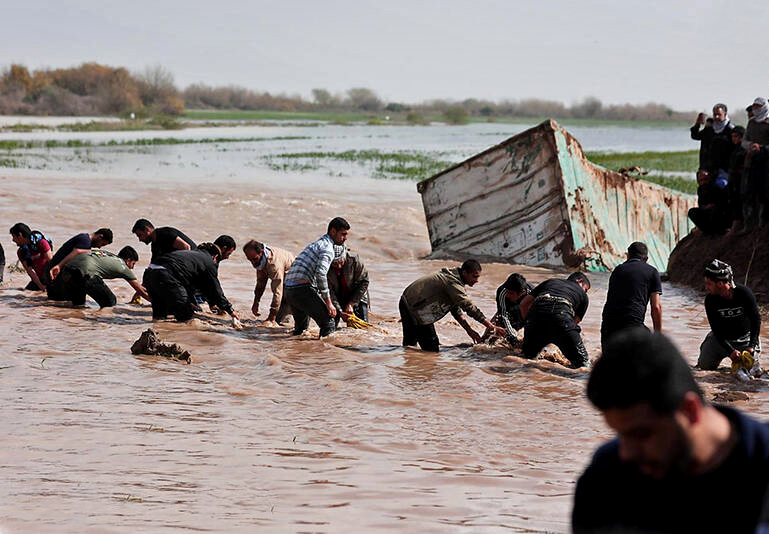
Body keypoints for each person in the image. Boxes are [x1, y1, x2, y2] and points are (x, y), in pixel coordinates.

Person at [572, 328, 769, 534]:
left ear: (690, 410)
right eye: (620, 434)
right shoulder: (607, 479)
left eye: (641, 434)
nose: (627, 453)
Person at [399, 259, 505, 352]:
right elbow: (468, 307)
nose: (477, 280)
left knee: (410, 345)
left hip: (409, 303)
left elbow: (456, 311)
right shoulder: (453, 282)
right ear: (464, 273)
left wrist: (469, 331)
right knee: (431, 349)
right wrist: (490, 326)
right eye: (474, 276)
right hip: (415, 307)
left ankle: (409, 365)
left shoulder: (454, 279)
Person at [284, 217, 350, 337]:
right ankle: (325, 349)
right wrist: (329, 303)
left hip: (289, 289)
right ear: (333, 231)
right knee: (328, 323)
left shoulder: (317, 244)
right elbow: (321, 274)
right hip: (301, 289)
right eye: (343, 234)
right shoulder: (328, 249)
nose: (345, 238)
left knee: (301, 330)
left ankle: (293, 349)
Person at [142, 244, 238, 323]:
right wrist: (230, 311)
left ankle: (156, 336)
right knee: (187, 318)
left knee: (159, 317)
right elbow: (215, 289)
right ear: (215, 257)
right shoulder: (209, 262)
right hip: (166, 275)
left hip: (150, 273)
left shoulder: (192, 256)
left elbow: (194, 287)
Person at [697, 259, 761, 372]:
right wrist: (730, 351)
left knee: (750, 372)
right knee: (703, 367)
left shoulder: (744, 293)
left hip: (745, 339)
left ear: (720, 284)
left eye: (709, 284)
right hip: (720, 340)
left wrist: (751, 346)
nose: (706, 287)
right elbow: (716, 330)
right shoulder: (710, 300)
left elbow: (756, 321)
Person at [519, 272, 591, 368]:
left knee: (527, 358)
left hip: (535, 318)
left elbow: (523, 304)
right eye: (586, 289)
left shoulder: (550, 281)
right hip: (561, 318)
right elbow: (574, 322)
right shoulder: (583, 295)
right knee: (583, 365)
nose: (585, 292)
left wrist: (528, 326)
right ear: (580, 281)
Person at [600, 242, 662, 347]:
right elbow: (656, 307)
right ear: (646, 259)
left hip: (608, 328)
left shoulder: (618, 270)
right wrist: (658, 337)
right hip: (633, 329)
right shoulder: (652, 272)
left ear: (628, 256)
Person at [46, 246, 150, 308]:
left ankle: (75, 325)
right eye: (133, 264)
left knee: (78, 305)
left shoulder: (107, 254)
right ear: (128, 260)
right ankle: (98, 327)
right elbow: (141, 290)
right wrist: (154, 303)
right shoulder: (123, 266)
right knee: (110, 302)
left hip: (67, 271)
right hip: (86, 273)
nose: (132, 268)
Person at [243, 240, 294, 325]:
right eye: (249, 260)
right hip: (286, 281)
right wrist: (256, 302)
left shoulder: (273, 264)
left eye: (254, 259)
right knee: (279, 320)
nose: (253, 262)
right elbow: (260, 283)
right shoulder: (260, 262)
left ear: (261, 253)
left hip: (295, 281)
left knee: (279, 317)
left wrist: (271, 317)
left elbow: (278, 291)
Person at [484, 272, 531, 346]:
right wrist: (512, 337)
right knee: (487, 340)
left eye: (511, 293)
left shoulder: (532, 293)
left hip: (523, 314)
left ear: (522, 292)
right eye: (507, 291)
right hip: (507, 312)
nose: (507, 295)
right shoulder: (502, 292)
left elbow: (535, 317)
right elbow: (503, 316)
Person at [327, 245, 370, 327]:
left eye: (340, 262)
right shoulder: (325, 267)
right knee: (330, 327)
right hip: (337, 297)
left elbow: (364, 281)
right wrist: (340, 311)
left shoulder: (354, 260)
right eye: (335, 263)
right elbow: (329, 292)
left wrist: (351, 304)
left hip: (357, 295)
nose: (338, 266)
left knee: (362, 328)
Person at [47, 228, 113, 281]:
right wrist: (59, 266)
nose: (99, 247)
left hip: (55, 271)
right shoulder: (85, 240)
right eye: (102, 244)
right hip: (54, 271)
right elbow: (76, 252)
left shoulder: (85, 241)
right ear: (100, 236)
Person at [743, 97, 769, 227]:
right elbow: (744, 141)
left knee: (765, 190)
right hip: (752, 159)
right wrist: (751, 146)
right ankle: (752, 223)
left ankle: (763, 221)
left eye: (758, 107)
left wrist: (762, 147)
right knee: (752, 189)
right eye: (754, 106)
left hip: (766, 161)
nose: (755, 109)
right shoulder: (751, 122)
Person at [9, 222, 53, 291]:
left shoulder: (41, 242)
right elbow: (30, 272)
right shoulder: (21, 252)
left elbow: (52, 262)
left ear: (20, 235)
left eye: (14, 236)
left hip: (51, 275)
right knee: (25, 292)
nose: (13, 240)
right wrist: (41, 287)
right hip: (39, 279)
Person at [131, 219, 196, 263]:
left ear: (147, 229)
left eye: (140, 235)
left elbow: (186, 247)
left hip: (196, 259)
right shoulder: (155, 246)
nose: (140, 240)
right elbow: (154, 265)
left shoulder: (165, 234)